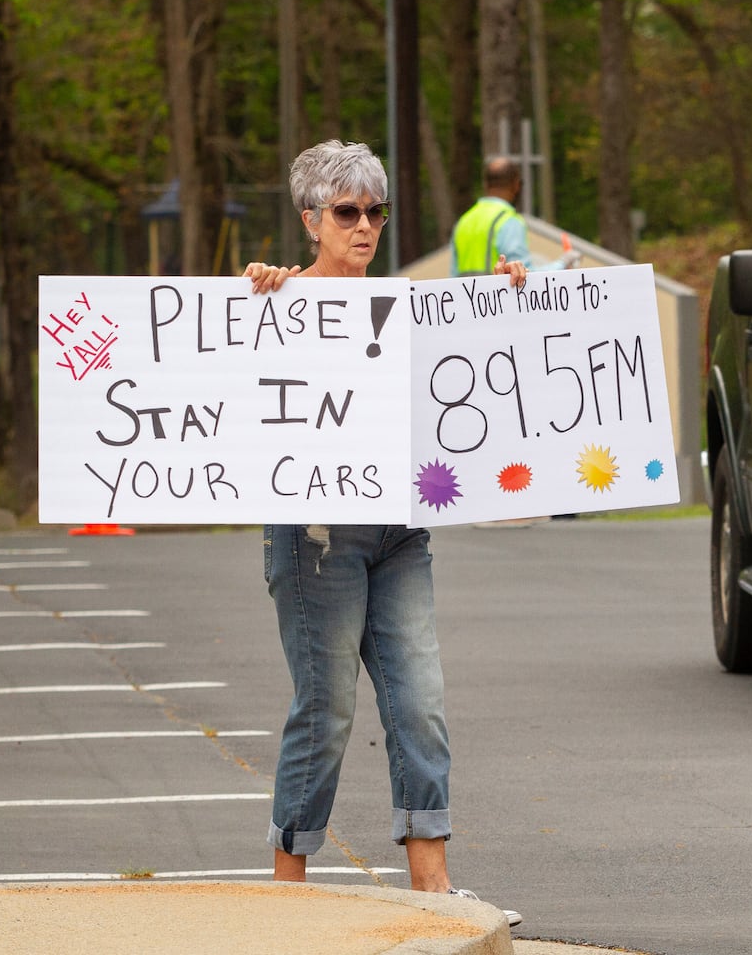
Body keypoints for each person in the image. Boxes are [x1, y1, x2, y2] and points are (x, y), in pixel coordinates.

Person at [242, 139, 527, 926]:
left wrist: (509, 296)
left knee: (418, 699)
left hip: (401, 529)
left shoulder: (404, 301)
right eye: (347, 212)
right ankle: (288, 885)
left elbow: (472, 344)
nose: (365, 225)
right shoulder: (282, 299)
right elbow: (227, 365)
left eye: (376, 210)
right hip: (314, 534)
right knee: (326, 705)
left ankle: (431, 885)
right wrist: (261, 292)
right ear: (312, 221)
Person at [449, 155, 577, 276]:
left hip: (468, 298)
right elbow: (524, 274)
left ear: (486, 184)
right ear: (516, 184)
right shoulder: (509, 221)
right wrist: (563, 264)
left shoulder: (463, 221)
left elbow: (453, 276)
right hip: (499, 298)